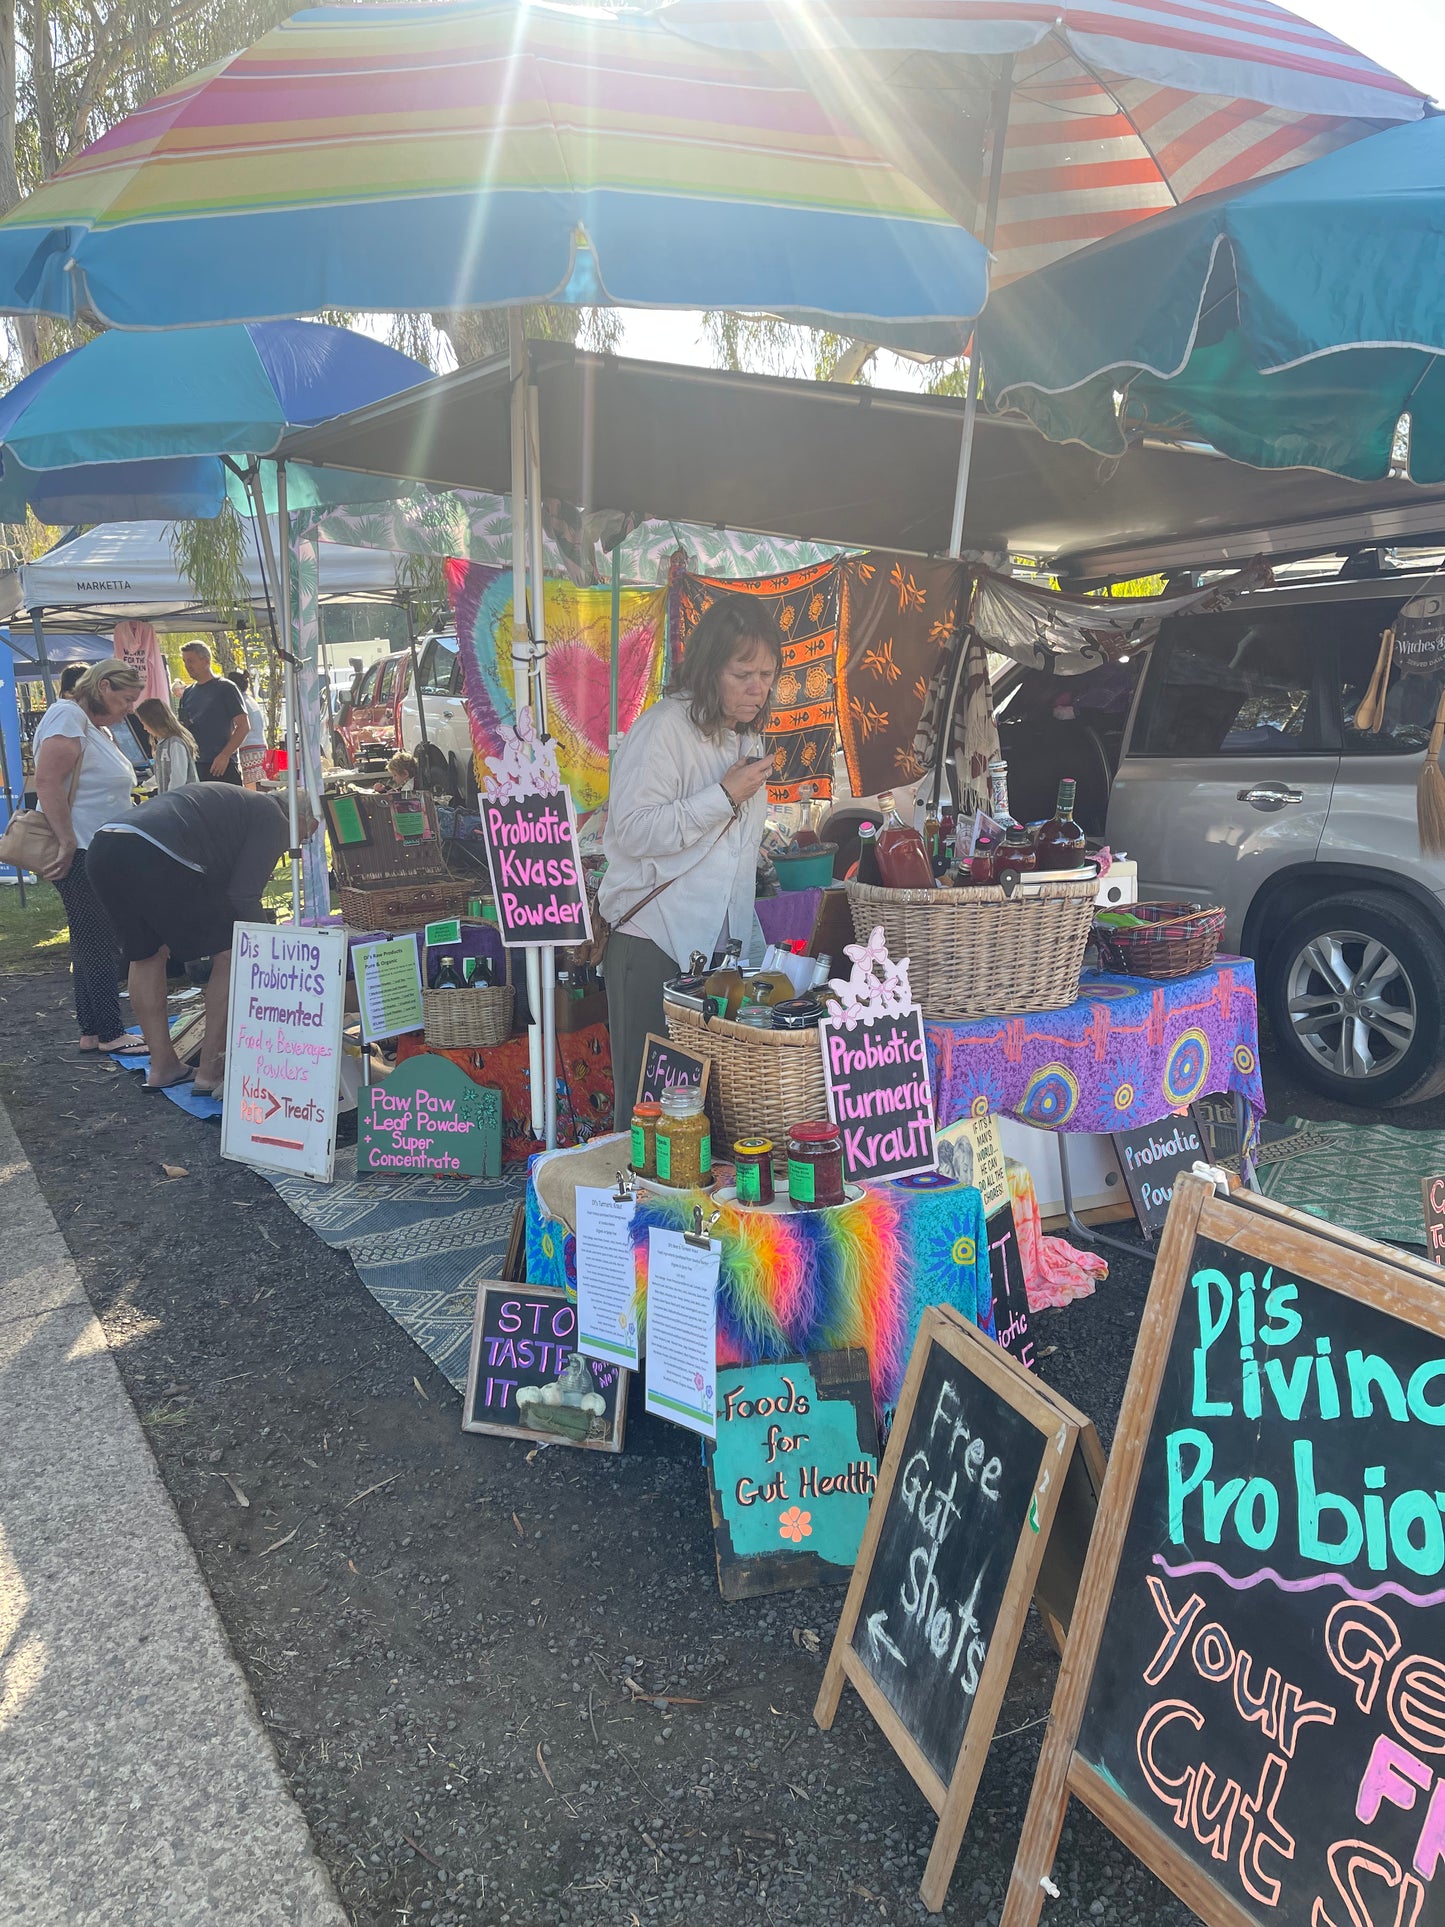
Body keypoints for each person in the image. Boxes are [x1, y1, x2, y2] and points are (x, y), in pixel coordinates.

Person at [600, 595, 781, 1111]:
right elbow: (631, 831)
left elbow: (736, 855)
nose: (757, 688)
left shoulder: (744, 734)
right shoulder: (664, 727)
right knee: (647, 1111)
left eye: (766, 674)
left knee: (703, 1117)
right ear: (708, 669)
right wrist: (722, 797)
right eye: (742, 673)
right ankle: (633, 1197)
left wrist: (745, 944)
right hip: (653, 941)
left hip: (715, 956)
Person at [87, 784, 317, 1095]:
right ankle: (211, 1071)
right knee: (233, 953)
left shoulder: (239, 804)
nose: (303, 841)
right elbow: (243, 895)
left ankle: (163, 1067)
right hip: (156, 853)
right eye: (307, 832)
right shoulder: (275, 817)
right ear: (301, 815)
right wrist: (268, 948)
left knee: (147, 955)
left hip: (105, 846)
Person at [32, 658, 145, 1051]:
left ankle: (92, 1030)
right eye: (127, 699)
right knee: (99, 939)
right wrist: (65, 840)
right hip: (81, 847)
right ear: (104, 687)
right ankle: (110, 1032)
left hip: (91, 845)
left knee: (88, 938)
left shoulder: (92, 726)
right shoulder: (68, 716)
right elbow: (47, 781)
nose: (130, 708)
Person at [177, 641, 248, 785]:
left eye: (191, 661)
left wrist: (225, 755)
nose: (187, 666)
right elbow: (183, 728)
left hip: (222, 765)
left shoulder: (226, 688)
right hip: (196, 765)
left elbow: (243, 726)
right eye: (185, 661)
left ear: (206, 661)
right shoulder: (187, 693)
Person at [135, 698, 198, 792]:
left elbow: (178, 777)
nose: (144, 728)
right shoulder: (162, 743)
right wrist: (145, 786)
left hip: (182, 801)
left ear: (153, 721)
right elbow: (162, 774)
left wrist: (168, 800)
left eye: (144, 723)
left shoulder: (175, 743)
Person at [232, 668, 268, 789]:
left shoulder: (239, 702)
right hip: (261, 745)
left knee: (252, 788)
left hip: (248, 747)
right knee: (262, 785)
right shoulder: (251, 699)